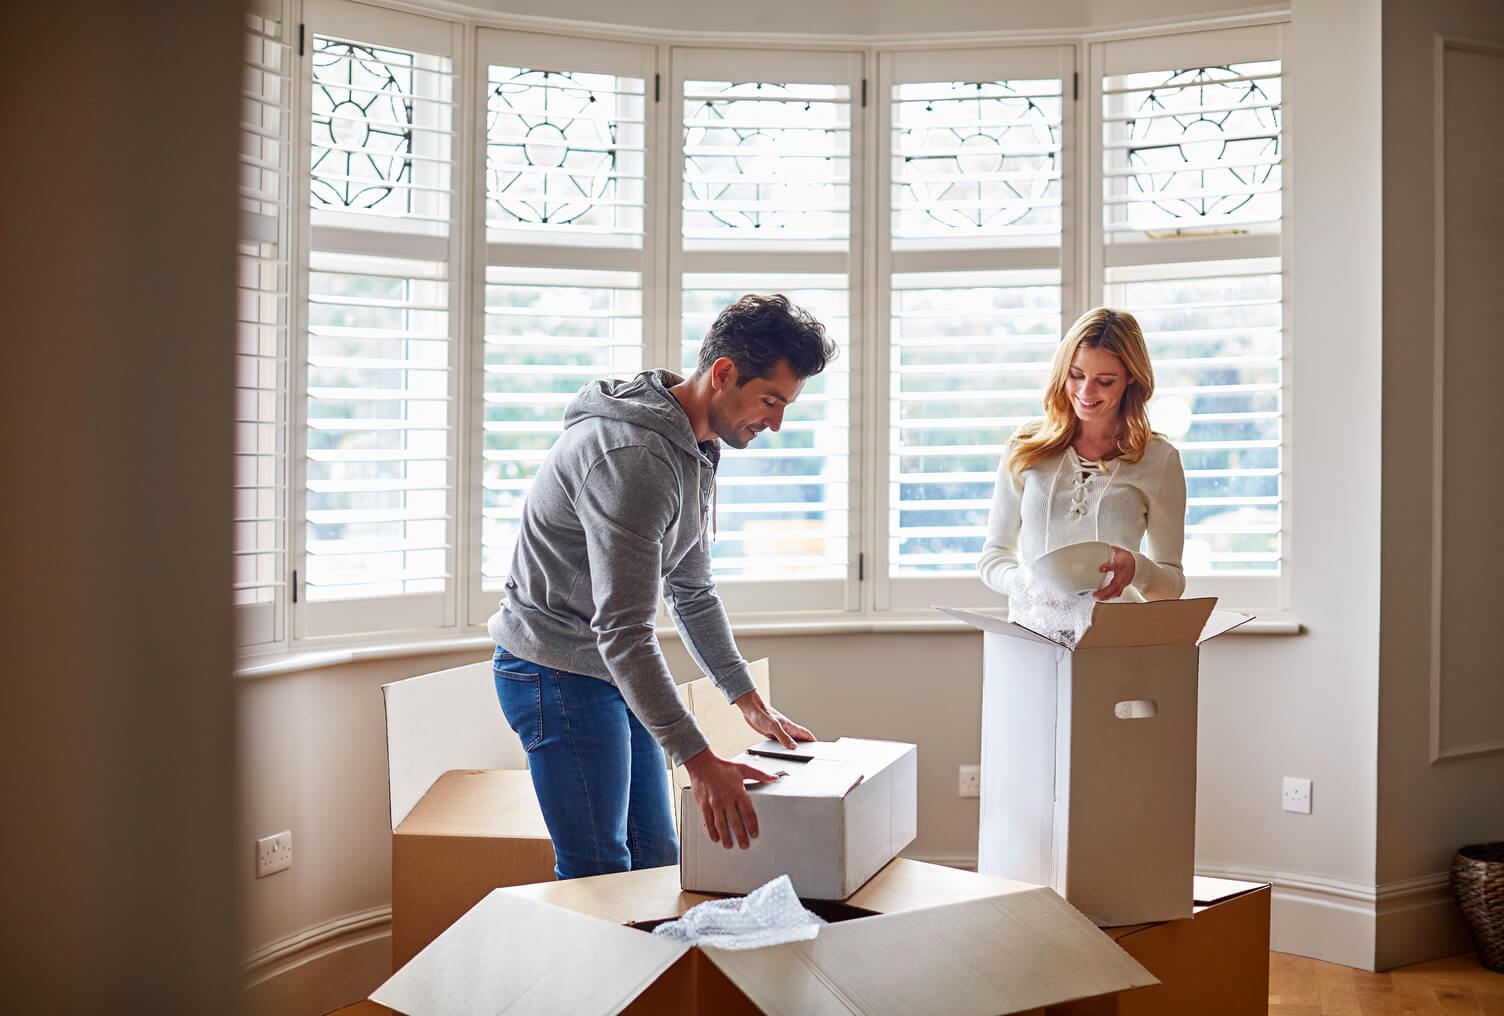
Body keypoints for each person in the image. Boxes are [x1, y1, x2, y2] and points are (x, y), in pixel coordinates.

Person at [488, 294, 837, 880]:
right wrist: (701, 761)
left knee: (657, 860)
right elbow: (624, 630)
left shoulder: (695, 446)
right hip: (555, 669)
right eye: (771, 400)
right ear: (723, 373)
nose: (777, 423)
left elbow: (692, 589)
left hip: (604, 665)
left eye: (786, 405)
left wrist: (746, 700)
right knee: (601, 871)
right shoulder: (636, 460)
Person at [978, 307, 1186, 618]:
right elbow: (993, 556)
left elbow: (1172, 585)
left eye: (1105, 381)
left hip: (1117, 646)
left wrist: (1138, 570)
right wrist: (1022, 582)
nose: (1086, 392)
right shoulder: (1025, 448)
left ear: (1131, 378)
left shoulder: (1160, 460)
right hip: (1032, 640)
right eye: (1076, 375)